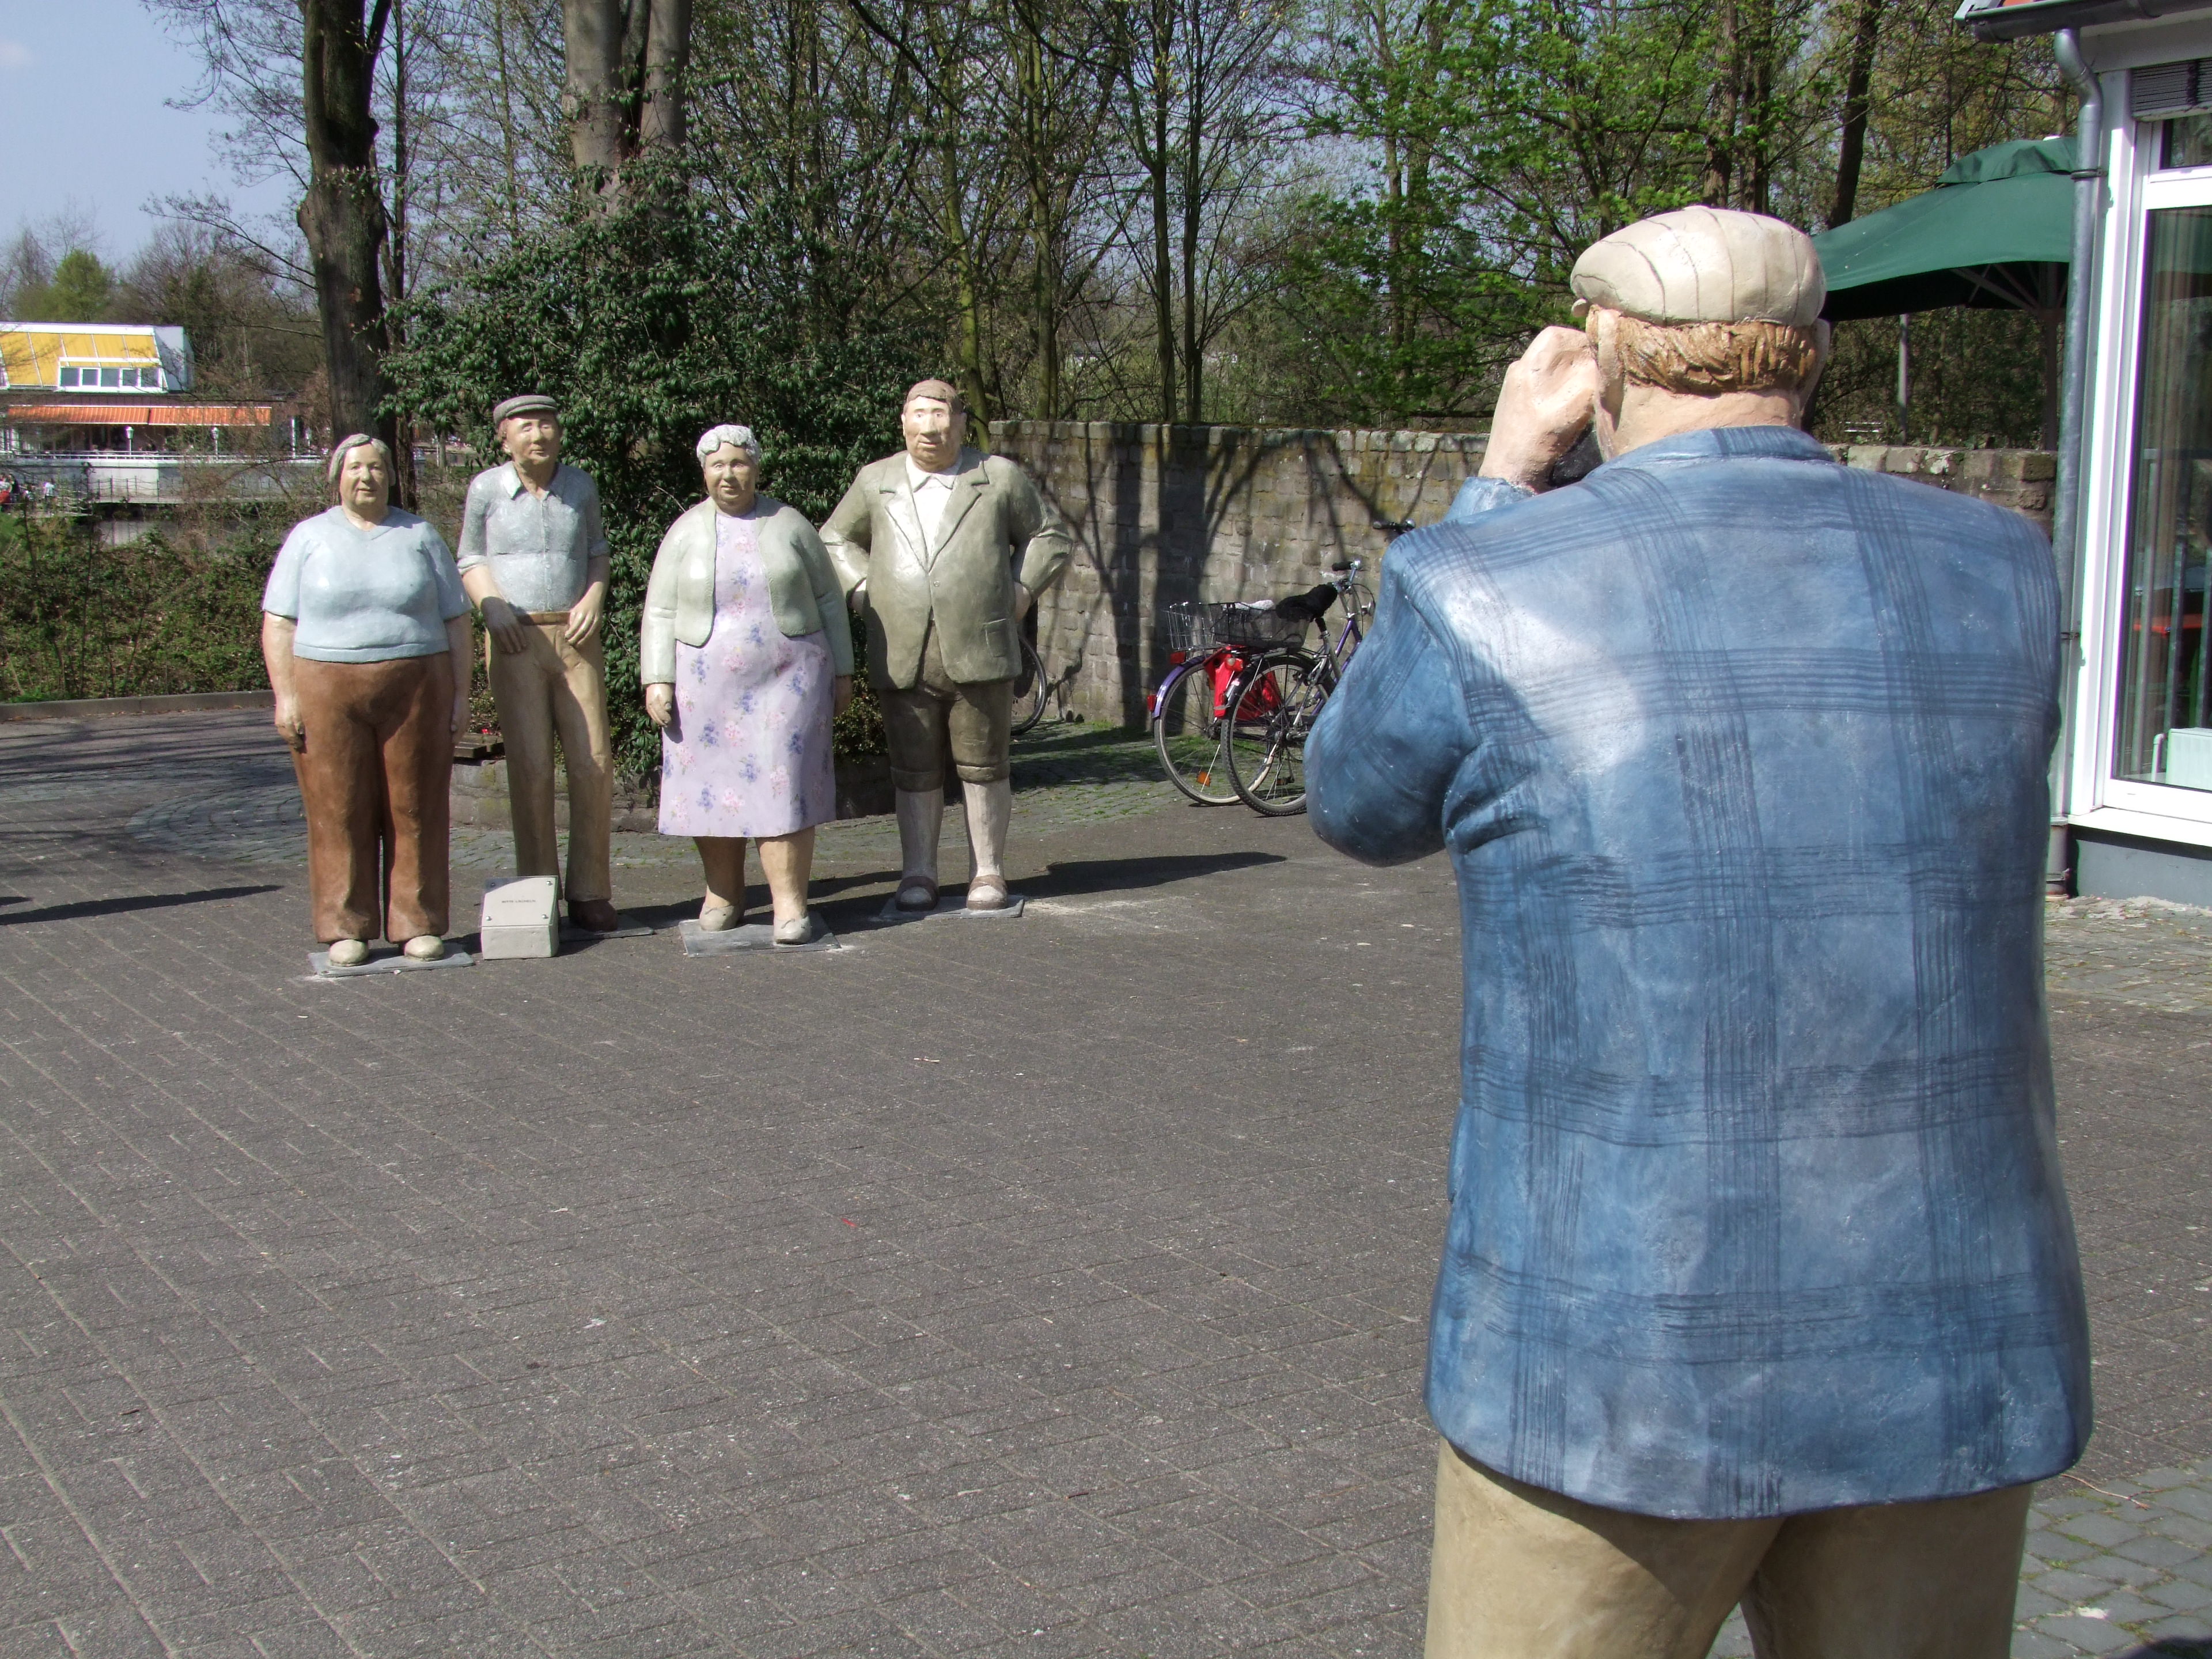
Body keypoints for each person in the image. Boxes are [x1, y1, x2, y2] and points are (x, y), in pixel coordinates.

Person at [1305, 206, 2090, 1659]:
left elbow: (1354, 799)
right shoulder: (2003, 566)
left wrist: (1498, 481)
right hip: (1947, 1344)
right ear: (1813, 355)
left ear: (1600, 353)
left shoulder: (1487, 581)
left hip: (1608, 1369)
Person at [820, 380, 1069, 911]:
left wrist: (1021, 590)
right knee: (913, 770)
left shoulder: (997, 476)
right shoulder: (876, 481)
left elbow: (1048, 536)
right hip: (902, 649)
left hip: (980, 648)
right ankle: (919, 872)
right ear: (903, 422)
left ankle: (989, 871)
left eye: (940, 415)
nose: (930, 428)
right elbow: (834, 538)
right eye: (919, 414)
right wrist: (863, 589)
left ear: (960, 422)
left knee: (986, 765)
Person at [262, 434, 472, 965]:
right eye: (355, 467)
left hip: (417, 684)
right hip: (326, 687)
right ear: (337, 476)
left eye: (377, 467)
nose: (366, 477)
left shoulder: (420, 535)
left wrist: (461, 694)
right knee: (338, 808)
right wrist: (286, 697)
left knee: (414, 805)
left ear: (391, 476)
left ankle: (417, 920)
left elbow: (457, 620)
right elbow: (279, 622)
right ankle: (344, 924)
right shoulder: (309, 538)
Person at [641, 425, 854, 944]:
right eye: (718, 465)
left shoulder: (790, 524)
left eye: (738, 463)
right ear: (704, 473)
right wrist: (657, 679)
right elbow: (661, 609)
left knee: (784, 784)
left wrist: (844, 671)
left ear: (756, 467)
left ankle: (790, 903)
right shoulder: (685, 531)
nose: (729, 474)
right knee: (711, 787)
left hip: (789, 679)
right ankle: (724, 894)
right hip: (704, 684)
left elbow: (830, 599)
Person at [454, 393, 621, 933]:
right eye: (526, 427)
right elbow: (470, 557)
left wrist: (594, 596)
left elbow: (597, 550)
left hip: (576, 636)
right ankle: (538, 887)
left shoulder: (581, 486)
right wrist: (490, 605)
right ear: (504, 438)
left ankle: (591, 888)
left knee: (594, 761)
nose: (539, 435)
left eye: (547, 424)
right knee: (530, 766)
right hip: (515, 640)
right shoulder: (487, 490)